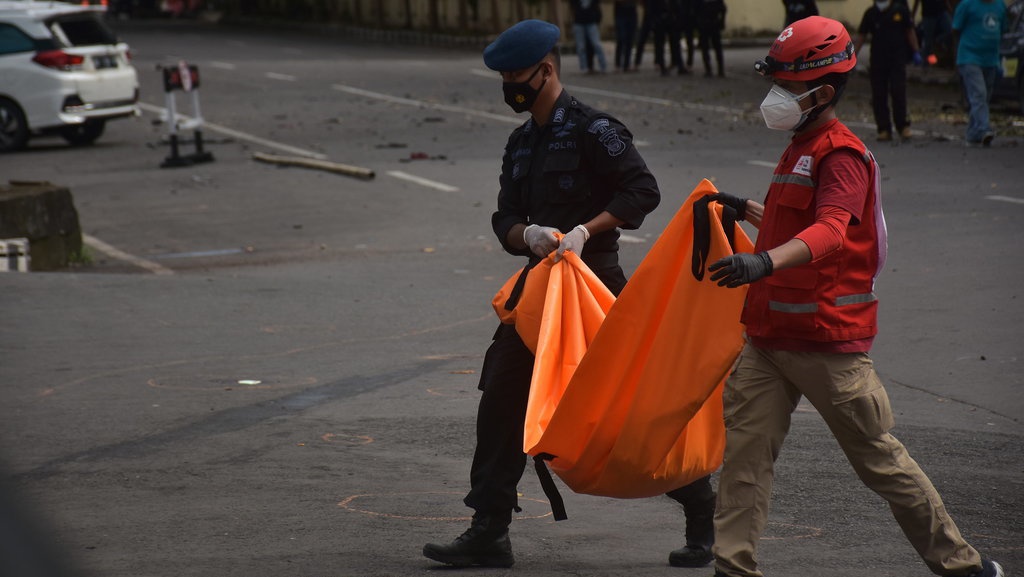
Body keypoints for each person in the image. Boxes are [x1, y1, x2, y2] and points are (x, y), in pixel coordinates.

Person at [704, 15, 1004, 577]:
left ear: (821, 91)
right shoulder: (801, 145)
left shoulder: (839, 155)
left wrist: (761, 261)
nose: (776, 96)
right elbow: (794, 226)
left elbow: (831, 231)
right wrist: (742, 210)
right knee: (744, 463)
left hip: (825, 344)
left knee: (880, 462)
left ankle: (961, 566)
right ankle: (732, 567)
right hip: (768, 339)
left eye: (788, 88)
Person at [421, 19, 716, 570]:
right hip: (540, 292)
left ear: (547, 70)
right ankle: (489, 528)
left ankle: (703, 508)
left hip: (595, 288)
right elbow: (505, 216)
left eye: (517, 75)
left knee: (627, 414)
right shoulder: (521, 142)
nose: (510, 84)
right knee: (502, 402)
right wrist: (525, 235)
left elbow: (643, 190)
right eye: (504, 75)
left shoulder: (592, 129)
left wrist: (588, 229)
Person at [856, 0, 924, 141]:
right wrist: (852, 56)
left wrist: (916, 50)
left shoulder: (900, 11)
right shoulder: (871, 13)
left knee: (898, 91)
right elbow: (862, 36)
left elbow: (909, 31)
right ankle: (884, 129)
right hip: (877, 60)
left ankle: (903, 126)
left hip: (897, 60)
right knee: (879, 94)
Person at [953, 0, 1008, 147]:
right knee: (979, 94)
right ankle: (984, 129)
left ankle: (972, 134)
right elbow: (955, 29)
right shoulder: (967, 5)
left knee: (983, 98)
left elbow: (1003, 30)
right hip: (969, 57)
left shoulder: (1000, 6)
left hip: (991, 60)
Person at [571, 0, 609, 73]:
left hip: (591, 22)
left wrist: (598, 19)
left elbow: (597, 6)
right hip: (578, 22)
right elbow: (572, 6)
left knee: (596, 44)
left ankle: (603, 66)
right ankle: (584, 67)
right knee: (581, 46)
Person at [695, 0, 727, 77]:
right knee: (706, 47)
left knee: (716, 47)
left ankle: (719, 69)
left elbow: (723, 9)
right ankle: (709, 69)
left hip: (712, 23)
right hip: (705, 24)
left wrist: (721, 21)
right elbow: (696, 9)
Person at [614, 0, 640, 72]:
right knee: (621, 39)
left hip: (632, 14)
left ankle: (626, 65)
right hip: (621, 15)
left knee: (630, 40)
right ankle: (617, 64)